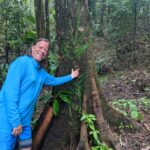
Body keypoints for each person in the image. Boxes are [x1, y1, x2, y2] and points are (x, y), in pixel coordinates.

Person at [0, 38, 79, 150]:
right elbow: (9, 94)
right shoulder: (21, 63)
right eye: (40, 47)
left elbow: (54, 81)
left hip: (25, 122)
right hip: (8, 120)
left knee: (26, 147)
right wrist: (15, 121)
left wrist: (71, 76)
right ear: (32, 48)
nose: (42, 51)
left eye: (45, 50)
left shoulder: (40, 72)